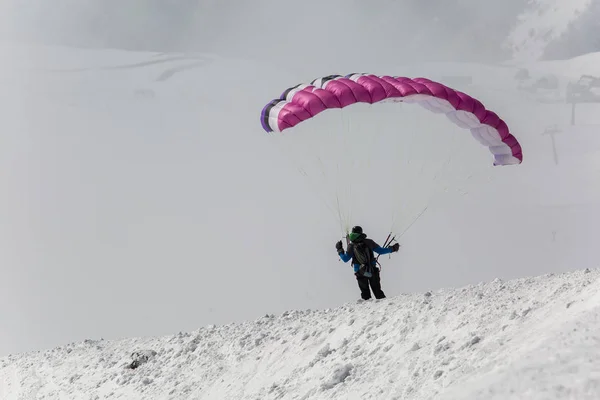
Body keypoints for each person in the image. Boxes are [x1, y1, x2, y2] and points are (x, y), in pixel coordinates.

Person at [336, 226, 400, 300]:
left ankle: (367, 310)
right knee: (378, 292)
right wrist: (393, 249)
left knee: (365, 294)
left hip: (360, 272)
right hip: (371, 271)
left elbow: (345, 259)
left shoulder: (351, 245)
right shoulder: (369, 242)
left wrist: (339, 250)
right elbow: (381, 251)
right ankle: (385, 309)